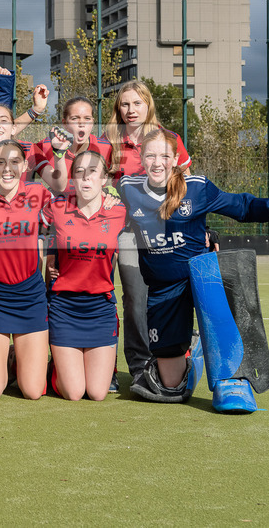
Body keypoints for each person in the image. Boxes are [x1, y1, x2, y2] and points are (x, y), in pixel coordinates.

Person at [119, 129, 269, 402]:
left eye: (165, 156)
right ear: (141, 159)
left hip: (202, 281)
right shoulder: (128, 189)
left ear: (176, 159)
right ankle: (195, 350)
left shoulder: (197, 187)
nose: (157, 162)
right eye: (150, 155)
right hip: (163, 289)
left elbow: (241, 206)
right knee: (170, 386)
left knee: (224, 338)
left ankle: (231, 379)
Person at [102, 81, 191, 387]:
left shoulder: (169, 139)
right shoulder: (107, 141)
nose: (131, 110)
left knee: (150, 299)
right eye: (125, 104)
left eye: (137, 103)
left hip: (162, 234)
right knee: (129, 299)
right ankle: (134, 365)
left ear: (148, 105)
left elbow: (186, 185)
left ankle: (159, 362)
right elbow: (95, 182)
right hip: (122, 232)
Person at [0, 140, 52, 401]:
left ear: (25, 165)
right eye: (1, 161)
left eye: (15, 161)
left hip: (30, 295)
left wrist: (107, 198)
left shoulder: (38, 192)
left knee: (33, 391)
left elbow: (71, 211)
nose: (7, 168)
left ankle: (15, 357)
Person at [44, 151, 126, 401]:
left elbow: (156, 215)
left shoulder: (120, 211)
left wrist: (208, 233)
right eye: (79, 172)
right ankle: (48, 367)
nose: (85, 178)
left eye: (93, 172)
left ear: (104, 180)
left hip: (100, 308)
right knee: (74, 392)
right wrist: (49, 257)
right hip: (64, 306)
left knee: (97, 393)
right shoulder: (57, 208)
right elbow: (24, 226)